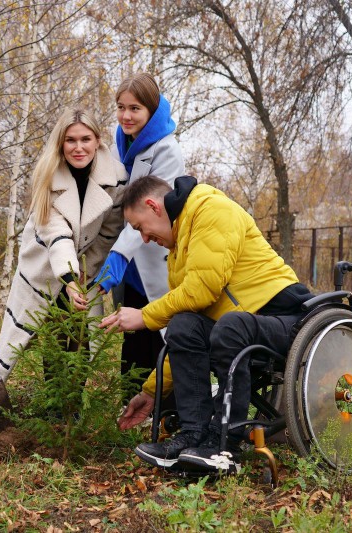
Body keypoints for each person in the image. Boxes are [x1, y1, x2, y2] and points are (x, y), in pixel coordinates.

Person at [101, 175, 314, 474]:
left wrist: (145, 316)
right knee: (184, 325)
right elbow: (186, 326)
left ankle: (225, 445)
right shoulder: (179, 249)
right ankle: (194, 436)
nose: (145, 239)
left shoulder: (211, 209)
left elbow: (202, 289)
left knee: (229, 326)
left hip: (287, 319)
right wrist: (151, 392)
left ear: (153, 206)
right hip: (242, 326)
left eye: (140, 228)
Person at [0, 108, 128, 380]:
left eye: (85, 139)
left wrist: (83, 275)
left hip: (89, 262)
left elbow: (109, 233)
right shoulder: (48, 173)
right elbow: (56, 232)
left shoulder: (116, 177)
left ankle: (72, 408)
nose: (78, 148)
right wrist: (68, 277)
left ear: (98, 140)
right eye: (71, 140)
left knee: (81, 334)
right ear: (61, 143)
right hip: (46, 261)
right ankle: (51, 407)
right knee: (51, 330)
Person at [95, 73, 185, 390]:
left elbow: (148, 210)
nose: (126, 116)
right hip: (130, 261)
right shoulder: (119, 143)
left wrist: (118, 254)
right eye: (121, 107)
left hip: (152, 252)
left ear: (150, 110)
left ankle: (163, 411)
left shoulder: (167, 150)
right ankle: (131, 407)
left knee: (158, 333)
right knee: (131, 335)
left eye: (135, 108)